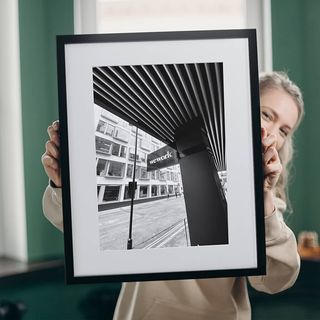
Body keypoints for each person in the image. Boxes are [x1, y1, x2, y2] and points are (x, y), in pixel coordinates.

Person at [41, 71, 304, 320]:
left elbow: (275, 280)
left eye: (284, 130)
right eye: (266, 115)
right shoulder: (187, 154)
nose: (272, 132)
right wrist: (67, 188)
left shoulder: (268, 206)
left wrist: (264, 197)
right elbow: (78, 231)